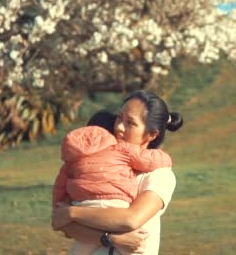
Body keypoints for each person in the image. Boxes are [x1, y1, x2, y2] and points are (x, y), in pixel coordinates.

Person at [52, 90, 183, 255]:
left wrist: (73, 212)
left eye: (130, 123)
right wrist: (111, 239)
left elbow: (131, 219)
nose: (119, 127)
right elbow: (63, 224)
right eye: (119, 117)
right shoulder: (97, 168)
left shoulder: (160, 175)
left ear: (151, 134)